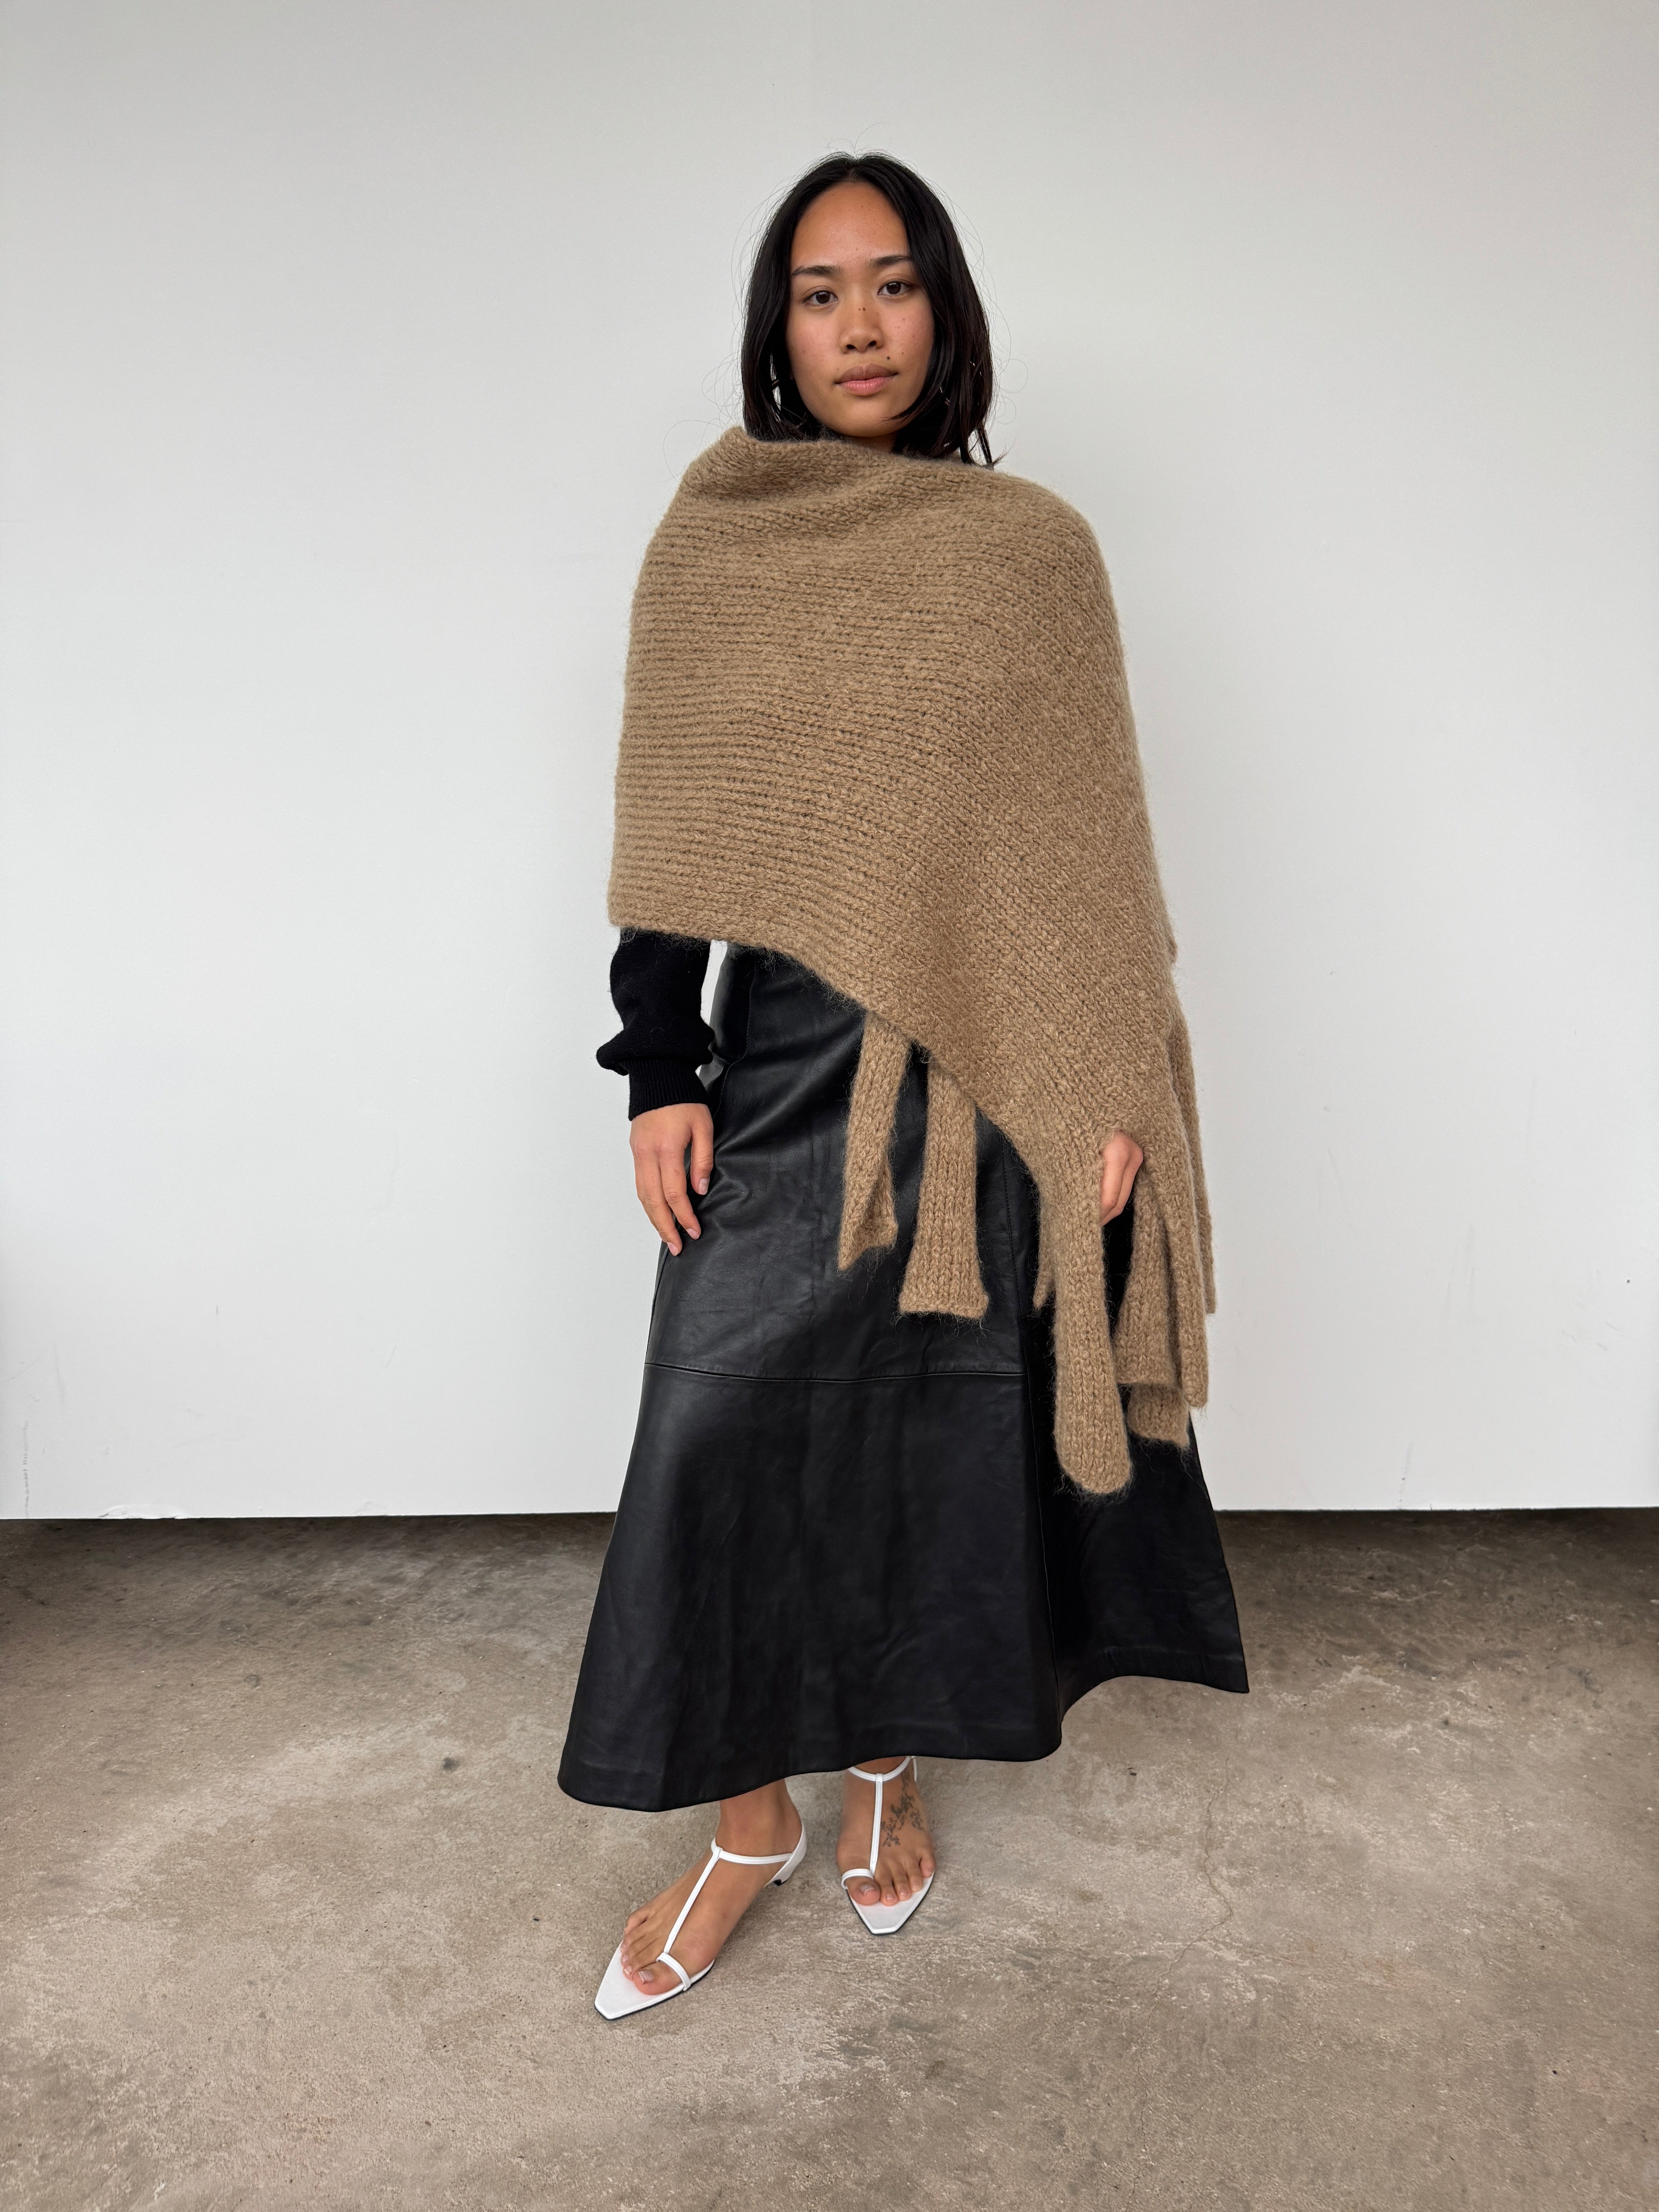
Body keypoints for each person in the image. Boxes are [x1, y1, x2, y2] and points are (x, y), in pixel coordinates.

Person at [558, 153, 1247, 2020]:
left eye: (892, 282)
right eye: (819, 292)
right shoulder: (718, 535)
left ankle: (881, 1770)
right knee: (716, 1437)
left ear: (944, 307)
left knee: (932, 1440)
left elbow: (1085, 858)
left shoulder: (1032, 555)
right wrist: (660, 1063)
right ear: (777, 330)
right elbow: (676, 828)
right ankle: (746, 1824)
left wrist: (1106, 1084)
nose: (858, 325)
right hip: (787, 1066)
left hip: (986, 1082)